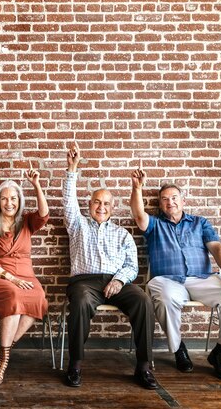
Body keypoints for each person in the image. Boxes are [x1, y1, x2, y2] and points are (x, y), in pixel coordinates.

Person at [130, 161, 221, 381]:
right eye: (164, 199)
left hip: (202, 279)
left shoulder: (199, 223)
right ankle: (178, 349)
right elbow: (139, 216)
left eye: (174, 197)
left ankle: (220, 352)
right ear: (160, 204)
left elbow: (217, 247)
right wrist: (137, 188)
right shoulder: (155, 224)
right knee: (164, 297)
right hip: (168, 281)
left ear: (183, 201)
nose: (170, 202)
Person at [62, 143, 157, 389]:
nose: (101, 207)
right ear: (89, 204)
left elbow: (131, 265)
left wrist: (119, 280)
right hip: (85, 282)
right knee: (81, 300)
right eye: (96, 202)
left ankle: (144, 366)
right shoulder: (77, 225)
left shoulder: (122, 234)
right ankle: (75, 364)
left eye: (106, 204)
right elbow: (68, 201)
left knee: (143, 300)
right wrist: (72, 169)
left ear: (113, 208)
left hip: (117, 281)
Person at [0, 168, 50, 385]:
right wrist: (11, 278)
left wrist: (36, 185)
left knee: (39, 300)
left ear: (19, 200)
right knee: (13, 295)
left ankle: (0, 351)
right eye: (5, 199)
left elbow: (44, 214)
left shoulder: (27, 221)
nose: (9, 203)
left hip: (25, 275)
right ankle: (3, 362)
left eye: (14, 198)